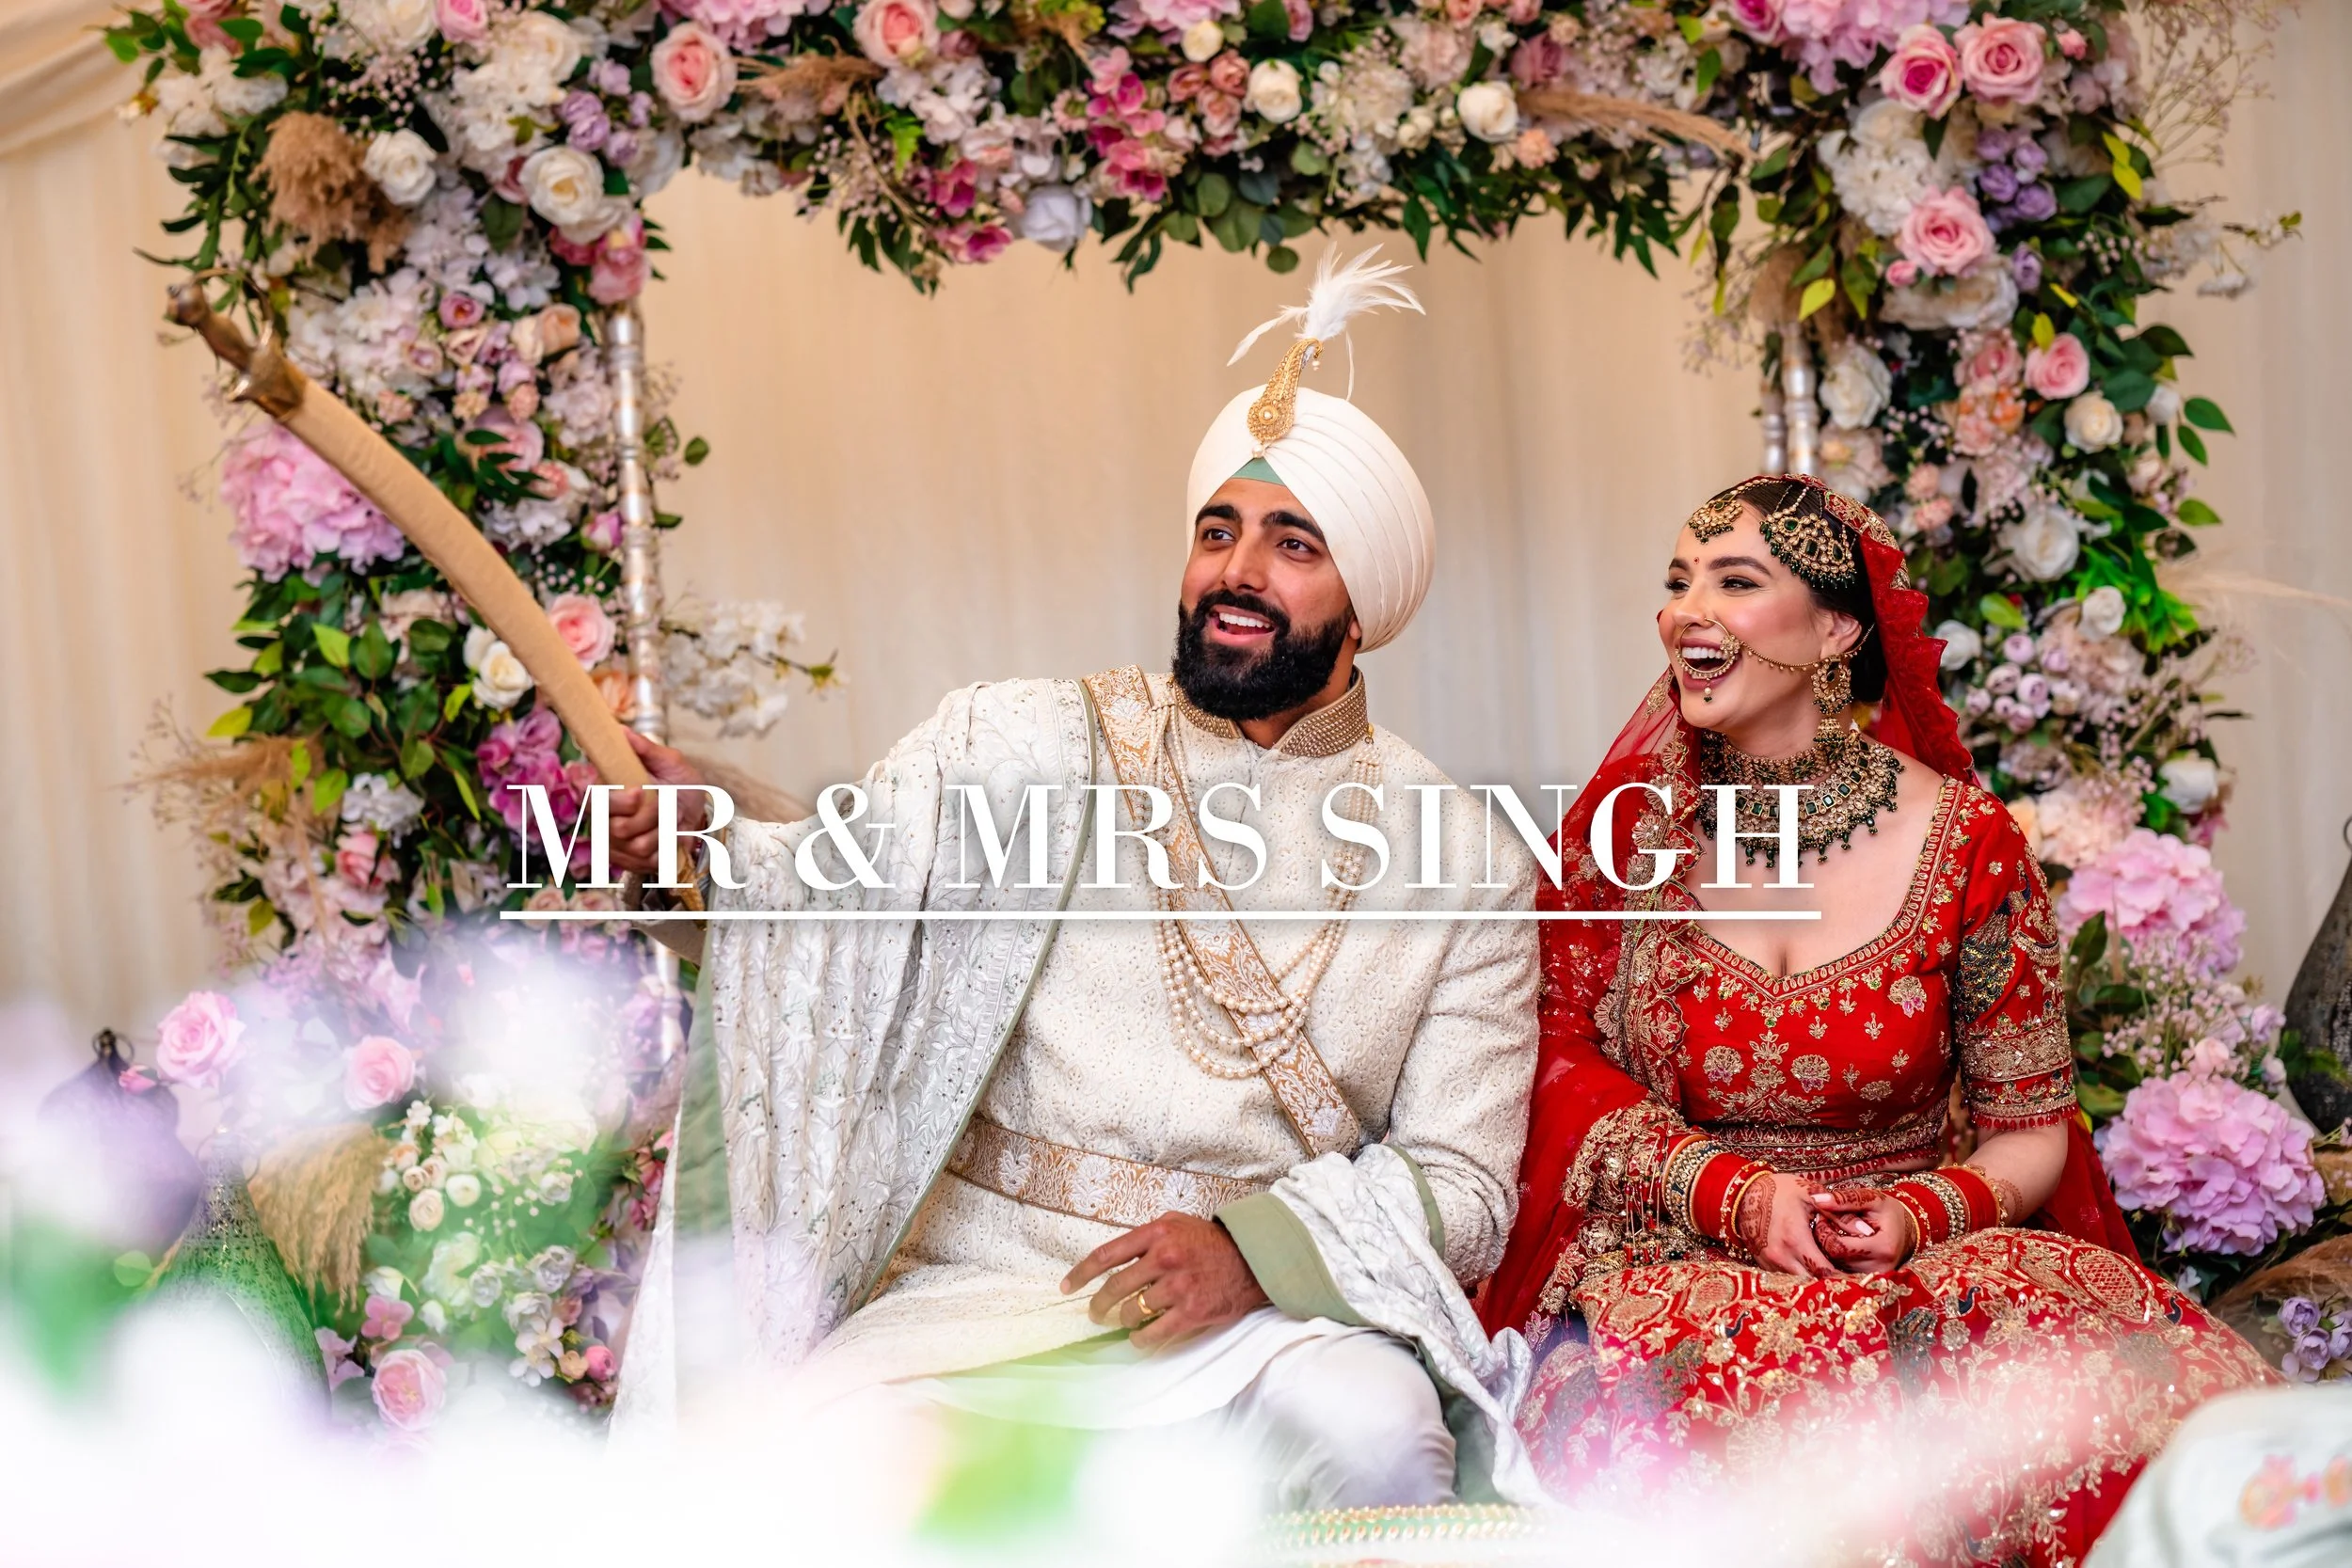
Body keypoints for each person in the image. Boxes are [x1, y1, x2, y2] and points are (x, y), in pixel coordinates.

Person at [604, 250, 1544, 1509]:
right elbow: (837, 904)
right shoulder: (1027, 742)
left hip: (1255, 1323)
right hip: (987, 1298)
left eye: (1292, 543)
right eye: (1217, 531)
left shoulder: (1467, 856)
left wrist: (1253, 1255)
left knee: (1379, 1429)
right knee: (811, 1467)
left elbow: (1462, 1181)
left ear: (1363, 596)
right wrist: (701, 842)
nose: (1236, 571)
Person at [1477, 475, 2276, 1562]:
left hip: (1912, 1266)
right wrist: (1732, 1193)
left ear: (1836, 628)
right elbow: (1553, 1059)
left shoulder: (1967, 843)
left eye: (1734, 580)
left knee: (2141, 1453)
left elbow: (2032, 1125)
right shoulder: (1623, 838)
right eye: (1676, 581)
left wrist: (1917, 1215)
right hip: (1680, 1263)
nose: (1684, 611)